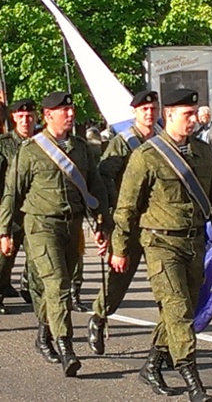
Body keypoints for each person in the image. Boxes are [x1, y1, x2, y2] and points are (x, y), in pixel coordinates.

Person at [111, 88, 212, 402]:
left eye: (194, 113)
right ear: (170, 115)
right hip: (161, 243)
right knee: (178, 310)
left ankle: (152, 364)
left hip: (195, 242)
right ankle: (194, 382)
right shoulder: (147, 156)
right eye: (186, 114)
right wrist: (120, 248)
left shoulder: (203, 152)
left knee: (183, 309)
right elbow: (126, 208)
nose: (192, 120)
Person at [0, 92, 110, 377]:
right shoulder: (31, 150)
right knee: (59, 284)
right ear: (48, 116)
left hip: (71, 225)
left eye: (71, 109)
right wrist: (5, 231)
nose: (70, 114)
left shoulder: (81, 149)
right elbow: (12, 193)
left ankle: (44, 332)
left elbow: (95, 189)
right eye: (64, 111)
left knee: (60, 284)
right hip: (41, 225)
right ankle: (66, 347)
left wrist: (101, 223)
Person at [88, 90, 159, 354]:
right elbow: (105, 177)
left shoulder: (165, 140)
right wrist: (114, 209)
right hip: (130, 220)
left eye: (153, 109)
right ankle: (99, 316)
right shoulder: (124, 142)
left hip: (158, 221)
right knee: (120, 276)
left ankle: (167, 342)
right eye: (144, 110)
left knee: (166, 280)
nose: (149, 113)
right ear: (135, 112)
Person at [0, 99, 37, 331]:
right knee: (0, 264)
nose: (25, 120)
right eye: (21, 116)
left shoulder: (43, 143)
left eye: (30, 116)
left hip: (35, 214)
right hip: (8, 214)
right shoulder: (2, 144)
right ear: (13, 118)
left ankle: (44, 322)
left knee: (40, 266)